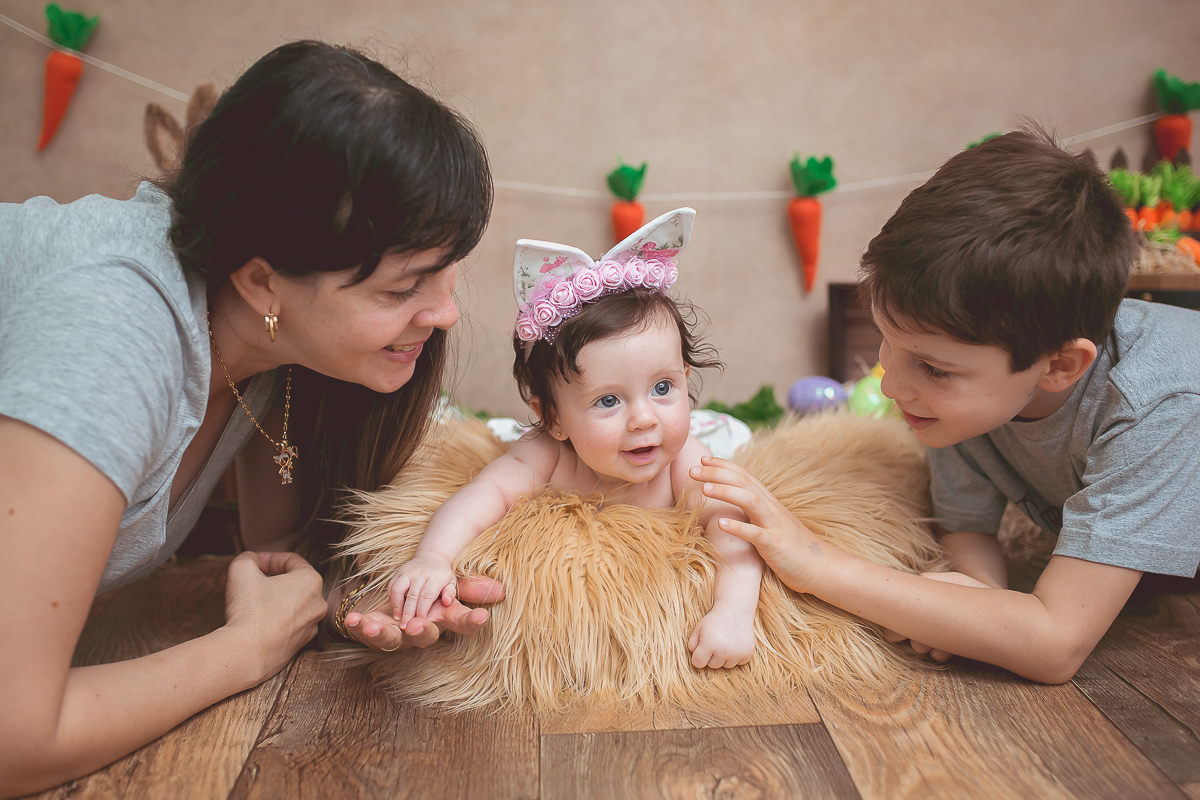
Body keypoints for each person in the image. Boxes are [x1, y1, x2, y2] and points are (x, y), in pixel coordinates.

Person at [0, 40, 501, 796]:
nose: (446, 313)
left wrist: (356, 598)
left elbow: (278, 552)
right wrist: (245, 651)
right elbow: (14, 738)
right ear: (262, 281)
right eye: (404, 289)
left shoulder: (272, 346)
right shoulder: (110, 329)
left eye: (445, 273)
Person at [693, 128, 1200, 684]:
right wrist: (977, 599)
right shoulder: (973, 401)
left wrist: (816, 562)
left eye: (933, 367)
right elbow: (967, 529)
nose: (891, 387)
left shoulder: (1160, 403)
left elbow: (1054, 644)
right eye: (887, 340)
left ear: (1057, 366)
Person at [353, 208, 765, 669]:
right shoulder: (547, 453)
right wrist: (432, 557)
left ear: (686, 377)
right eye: (609, 401)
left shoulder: (684, 461)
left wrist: (734, 611)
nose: (644, 419)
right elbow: (481, 496)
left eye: (663, 388)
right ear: (553, 419)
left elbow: (735, 534)